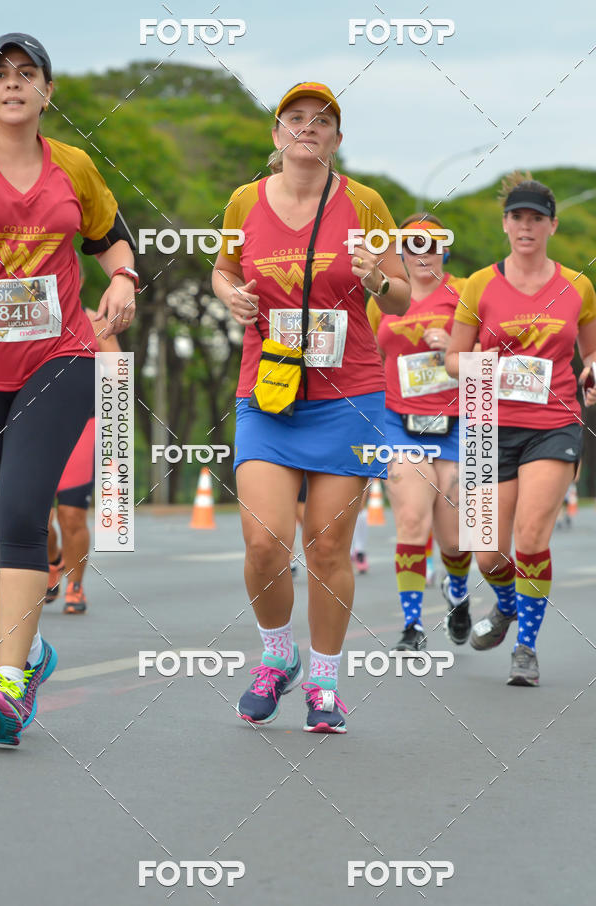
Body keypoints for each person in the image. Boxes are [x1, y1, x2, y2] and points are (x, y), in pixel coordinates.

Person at [213, 82, 410, 733]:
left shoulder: (364, 203)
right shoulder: (245, 200)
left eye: (320, 121)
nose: (307, 129)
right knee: (264, 540)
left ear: (336, 138)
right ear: (276, 135)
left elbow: (403, 297)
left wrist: (377, 277)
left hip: (348, 395)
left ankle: (324, 685)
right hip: (267, 393)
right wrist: (231, 296)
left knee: (328, 548)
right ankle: (276, 656)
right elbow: (225, 269)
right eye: (295, 119)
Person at [0, 33, 137, 746]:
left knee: (20, 512)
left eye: (27, 74)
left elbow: (112, 234)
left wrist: (122, 277)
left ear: (47, 92)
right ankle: (28, 651)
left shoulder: (72, 166)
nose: (12, 84)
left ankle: (10, 686)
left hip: (60, 358)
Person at [446, 172, 596, 685]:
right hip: (488, 422)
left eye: (536, 217)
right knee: (488, 551)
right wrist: (479, 364)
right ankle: (507, 605)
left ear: (552, 225)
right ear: (505, 224)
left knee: (531, 537)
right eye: (517, 217)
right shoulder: (480, 285)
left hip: (553, 423)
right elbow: (450, 360)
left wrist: (592, 371)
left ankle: (526, 649)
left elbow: (591, 351)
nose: (526, 226)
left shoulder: (578, 286)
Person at [368, 214, 472, 651]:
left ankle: (459, 593)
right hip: (400, 423)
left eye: (431, 244)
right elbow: (367, 356)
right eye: (412, 245)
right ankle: (412, 625)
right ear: (401, 253)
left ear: (444, 249)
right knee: (412, 519)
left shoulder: (467, 292)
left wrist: (452, 350)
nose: (422, 253)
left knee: (454, 539)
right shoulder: (385, 298)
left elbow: (496, 350)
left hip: (456, 424)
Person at [46, 306, 122, 614]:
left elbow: (118, 372)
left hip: (81, 425)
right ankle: (53, 561)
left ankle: (75, 584)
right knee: (35, 516)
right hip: (33, 425)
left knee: (72, 515)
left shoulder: (93, 320)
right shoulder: (22, 316)